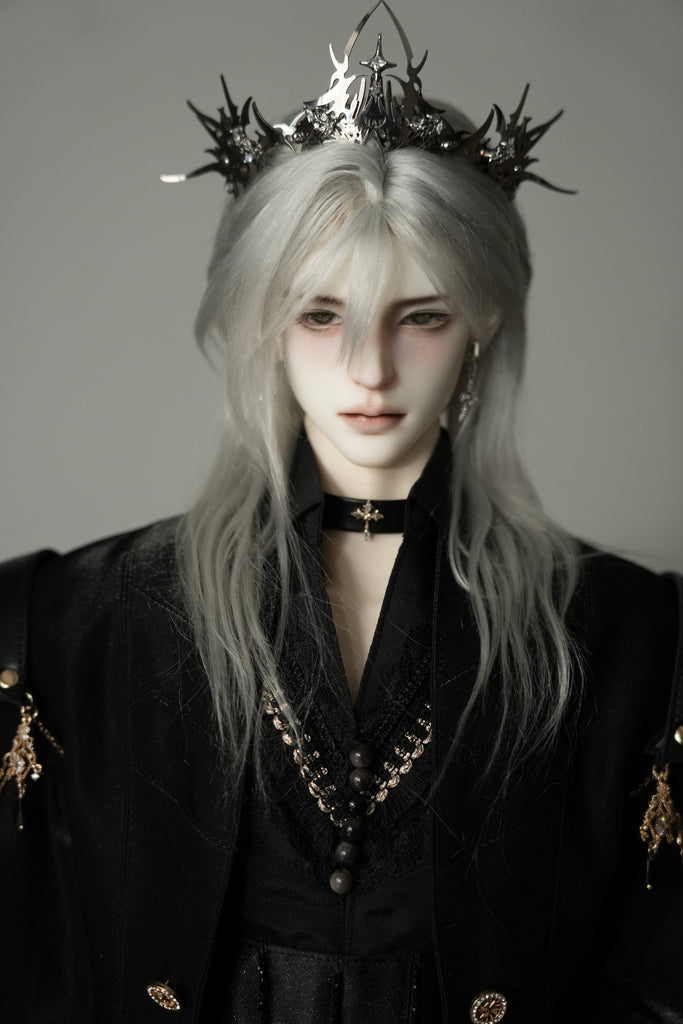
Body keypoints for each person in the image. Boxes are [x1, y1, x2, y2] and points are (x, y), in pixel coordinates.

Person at [1, 3, 681, 1022]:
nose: (369, 368)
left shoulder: (630, 638)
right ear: (264, 322)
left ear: (482, 322)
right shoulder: (72, 624)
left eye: (421, 316)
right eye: (322, 313)